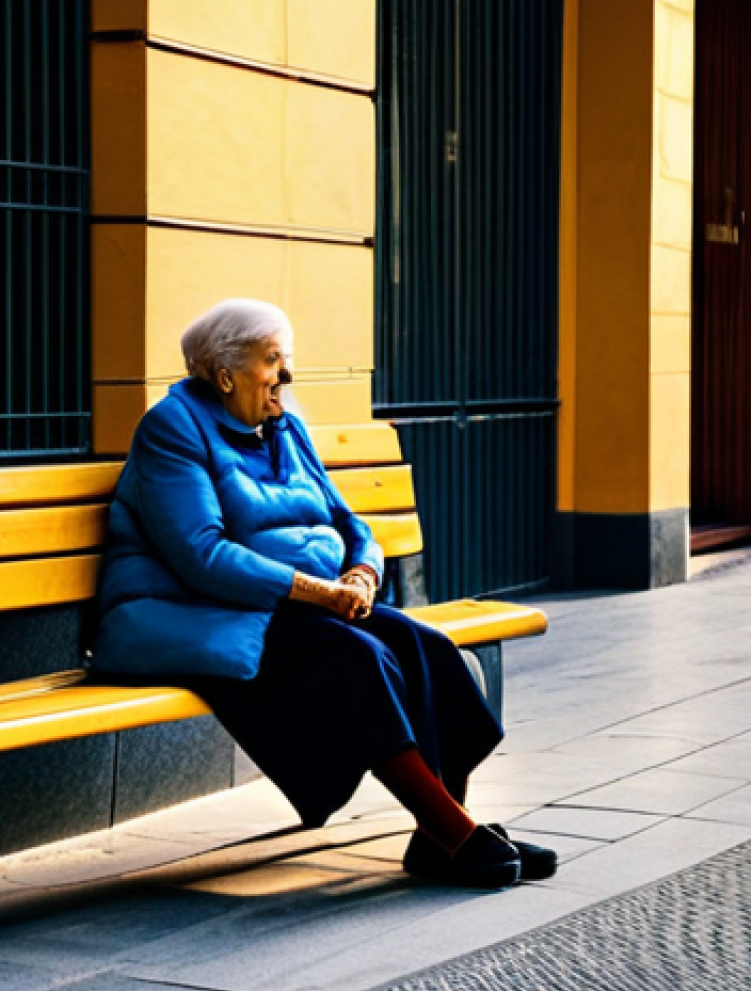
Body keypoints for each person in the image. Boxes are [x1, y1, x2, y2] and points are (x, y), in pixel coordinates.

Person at [90, 298, 556, 888]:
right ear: (226, 373)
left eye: (286, 359)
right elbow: (201, 555)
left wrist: (362, 570)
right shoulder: (172, 427)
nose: (285, 375)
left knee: (426, 648)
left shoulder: (283, 423)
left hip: (296, 605)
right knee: (357, 660)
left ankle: (440, 838)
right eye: (272, 359)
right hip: (199, 611)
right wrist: (318, 592)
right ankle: (454, 832)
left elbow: (347, 520)